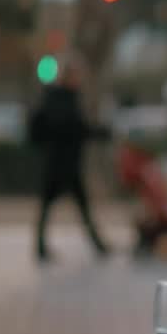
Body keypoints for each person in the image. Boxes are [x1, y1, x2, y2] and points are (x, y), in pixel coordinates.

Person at [28, 56, 111, 263]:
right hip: (61, 163)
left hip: (63, 162)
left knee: (70, 206)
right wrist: (99, 132)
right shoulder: (61, 99)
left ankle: (95, 244)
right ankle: (95, 244)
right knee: (66, 205)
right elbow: (74, 128)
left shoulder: (62, 97)